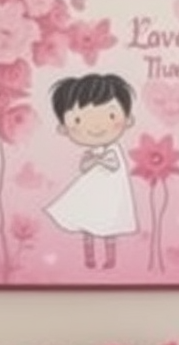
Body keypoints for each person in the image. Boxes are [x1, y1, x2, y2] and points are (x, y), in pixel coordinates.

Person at [45, 72, 138, 271]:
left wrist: (99, 162)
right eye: (78, 120)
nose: (96, 126)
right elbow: (85, 167)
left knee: (109, 225)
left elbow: (114, 166)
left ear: (128, 119)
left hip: (111, 193)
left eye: (111, 115)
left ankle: (110, 259)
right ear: (63, 128)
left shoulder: (114, 150)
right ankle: (89, 258)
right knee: (86, 222)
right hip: (90, 191)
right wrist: (94, 161)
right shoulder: (91, 152)